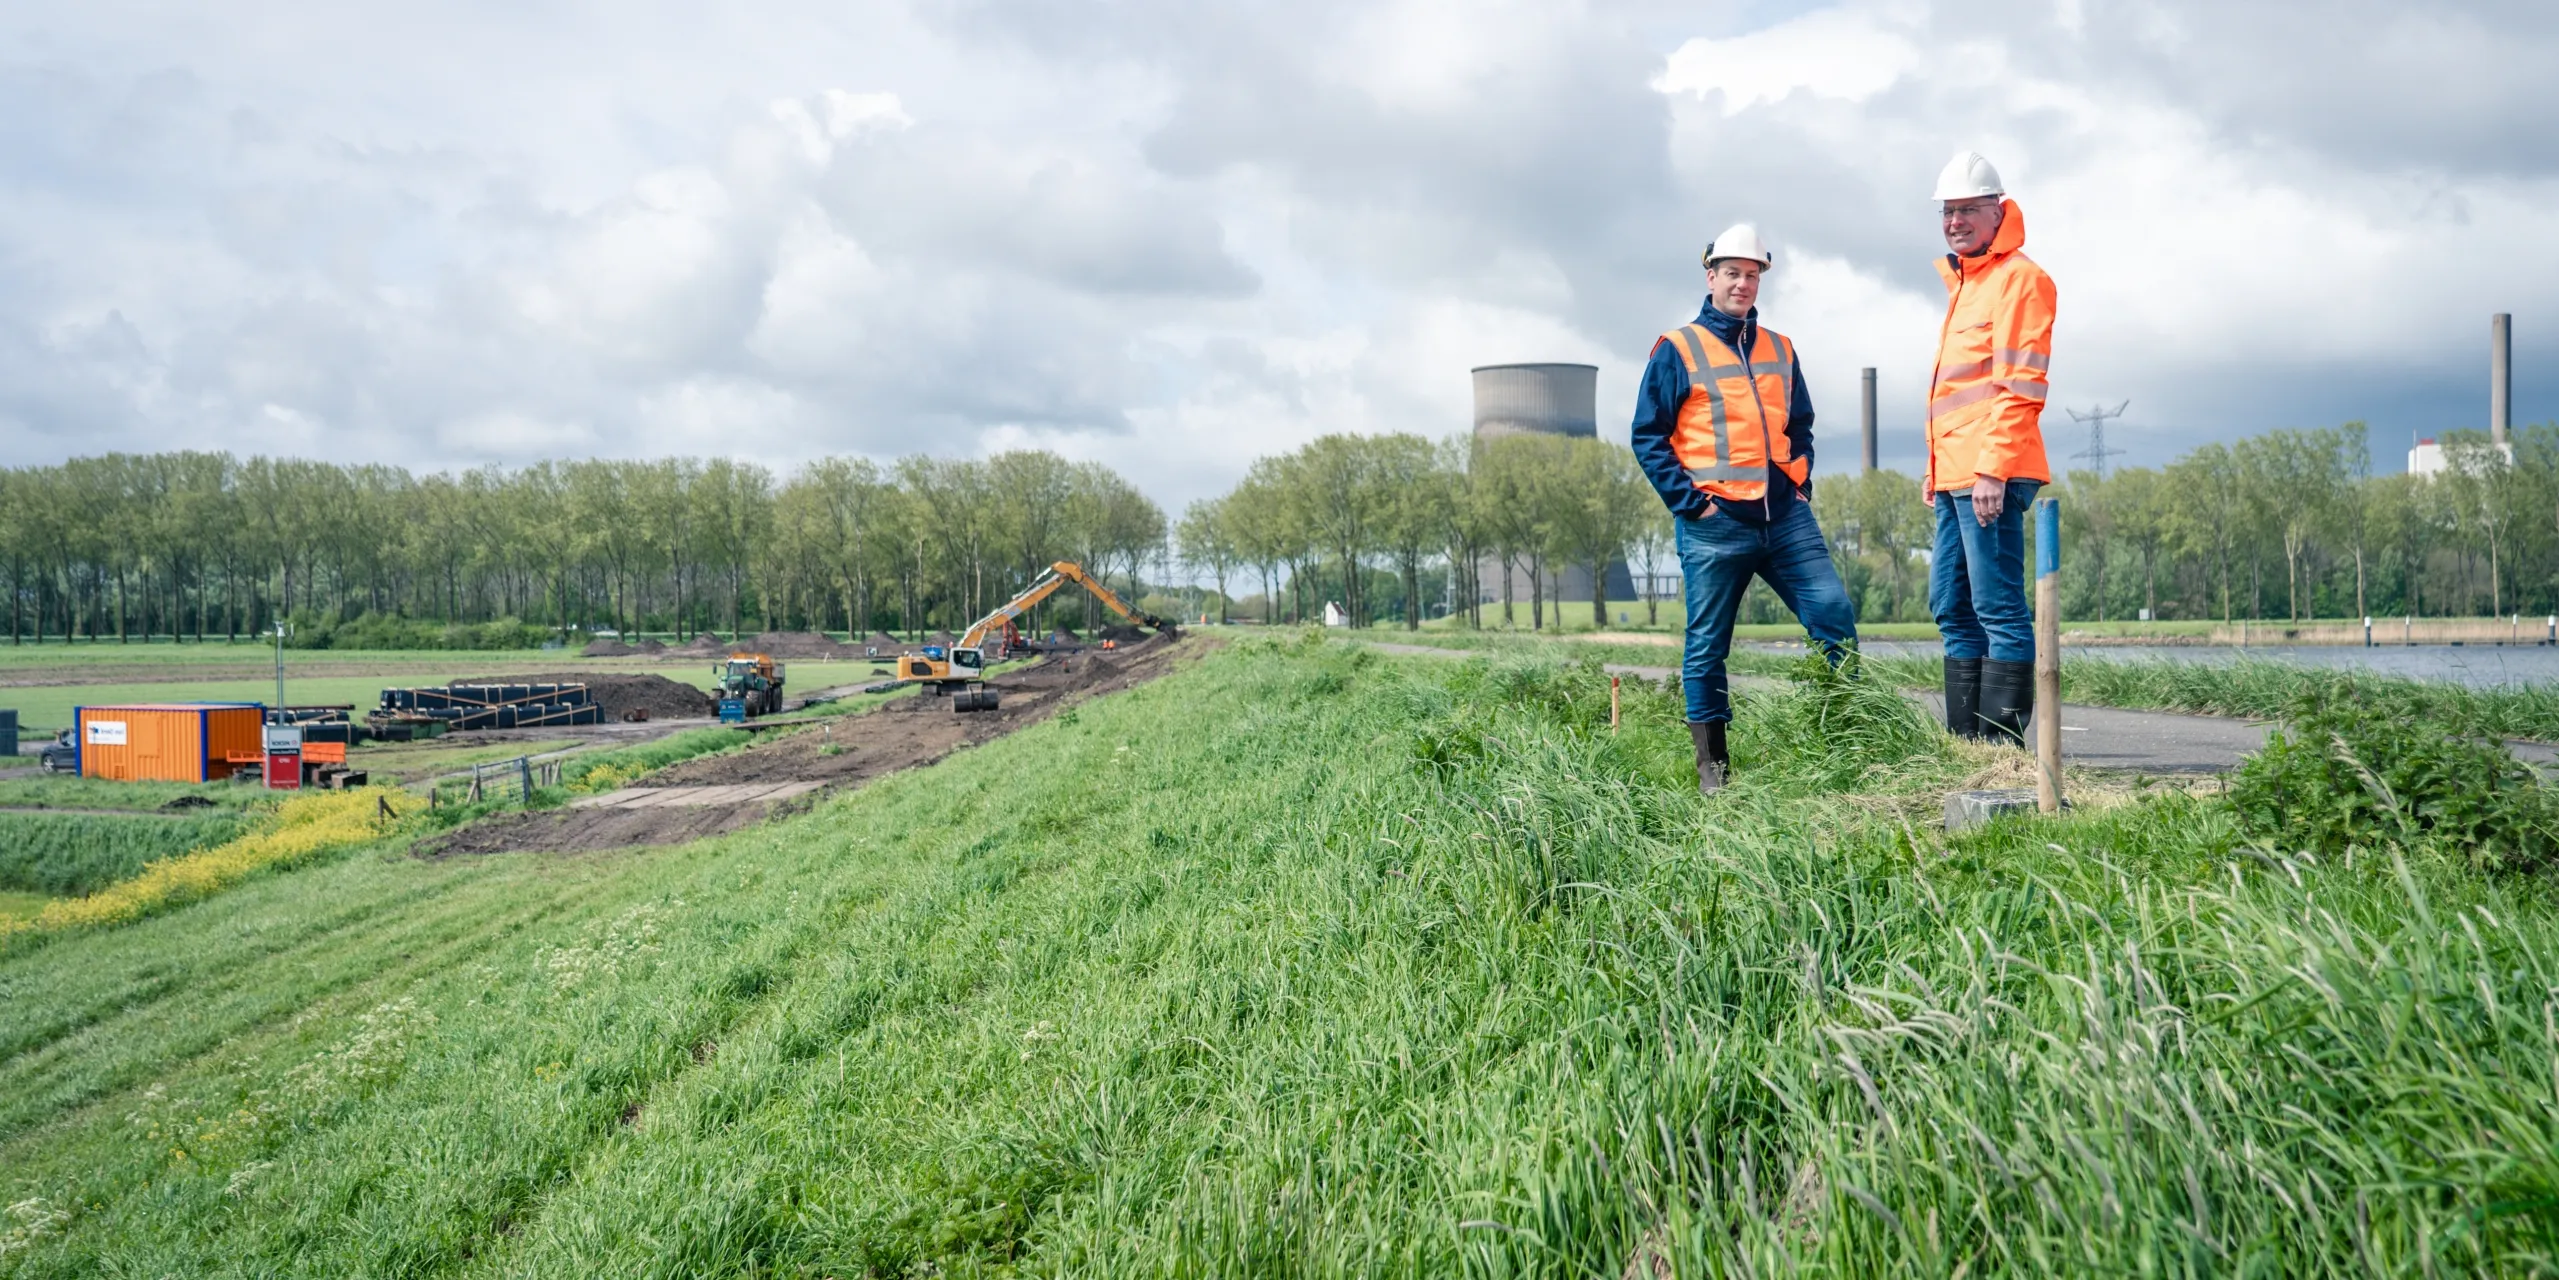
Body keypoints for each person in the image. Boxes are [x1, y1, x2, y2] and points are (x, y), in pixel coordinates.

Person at [1631, 223, 1858, 795]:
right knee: (1707, 644)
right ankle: (1713, 769)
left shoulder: (1780, 348)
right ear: (1711, 277)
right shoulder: (1677, 348)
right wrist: (1691, 505)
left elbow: (1801, 425)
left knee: (1834, 617)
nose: (1743, 283)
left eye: (1752, 274)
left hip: (1784, 517)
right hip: (1714, 524)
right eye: (1732, 273)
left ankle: (1851, 736)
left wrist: (1799, 482)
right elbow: (1647, 436)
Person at [1923, 151, 2055, 745]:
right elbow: (1954, 392)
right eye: (1949, 211)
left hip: (1990, 472)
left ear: (1998, 211)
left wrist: (1992, 470)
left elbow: (2019, 387)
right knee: (1951, 606)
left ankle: (2002, 750)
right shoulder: (1965, 284)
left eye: (1969, 210)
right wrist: (1935, 466)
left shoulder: (2020, 280)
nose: (1956, 222)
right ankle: (1966, 747)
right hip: (1955, 473)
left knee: (1997, 608)